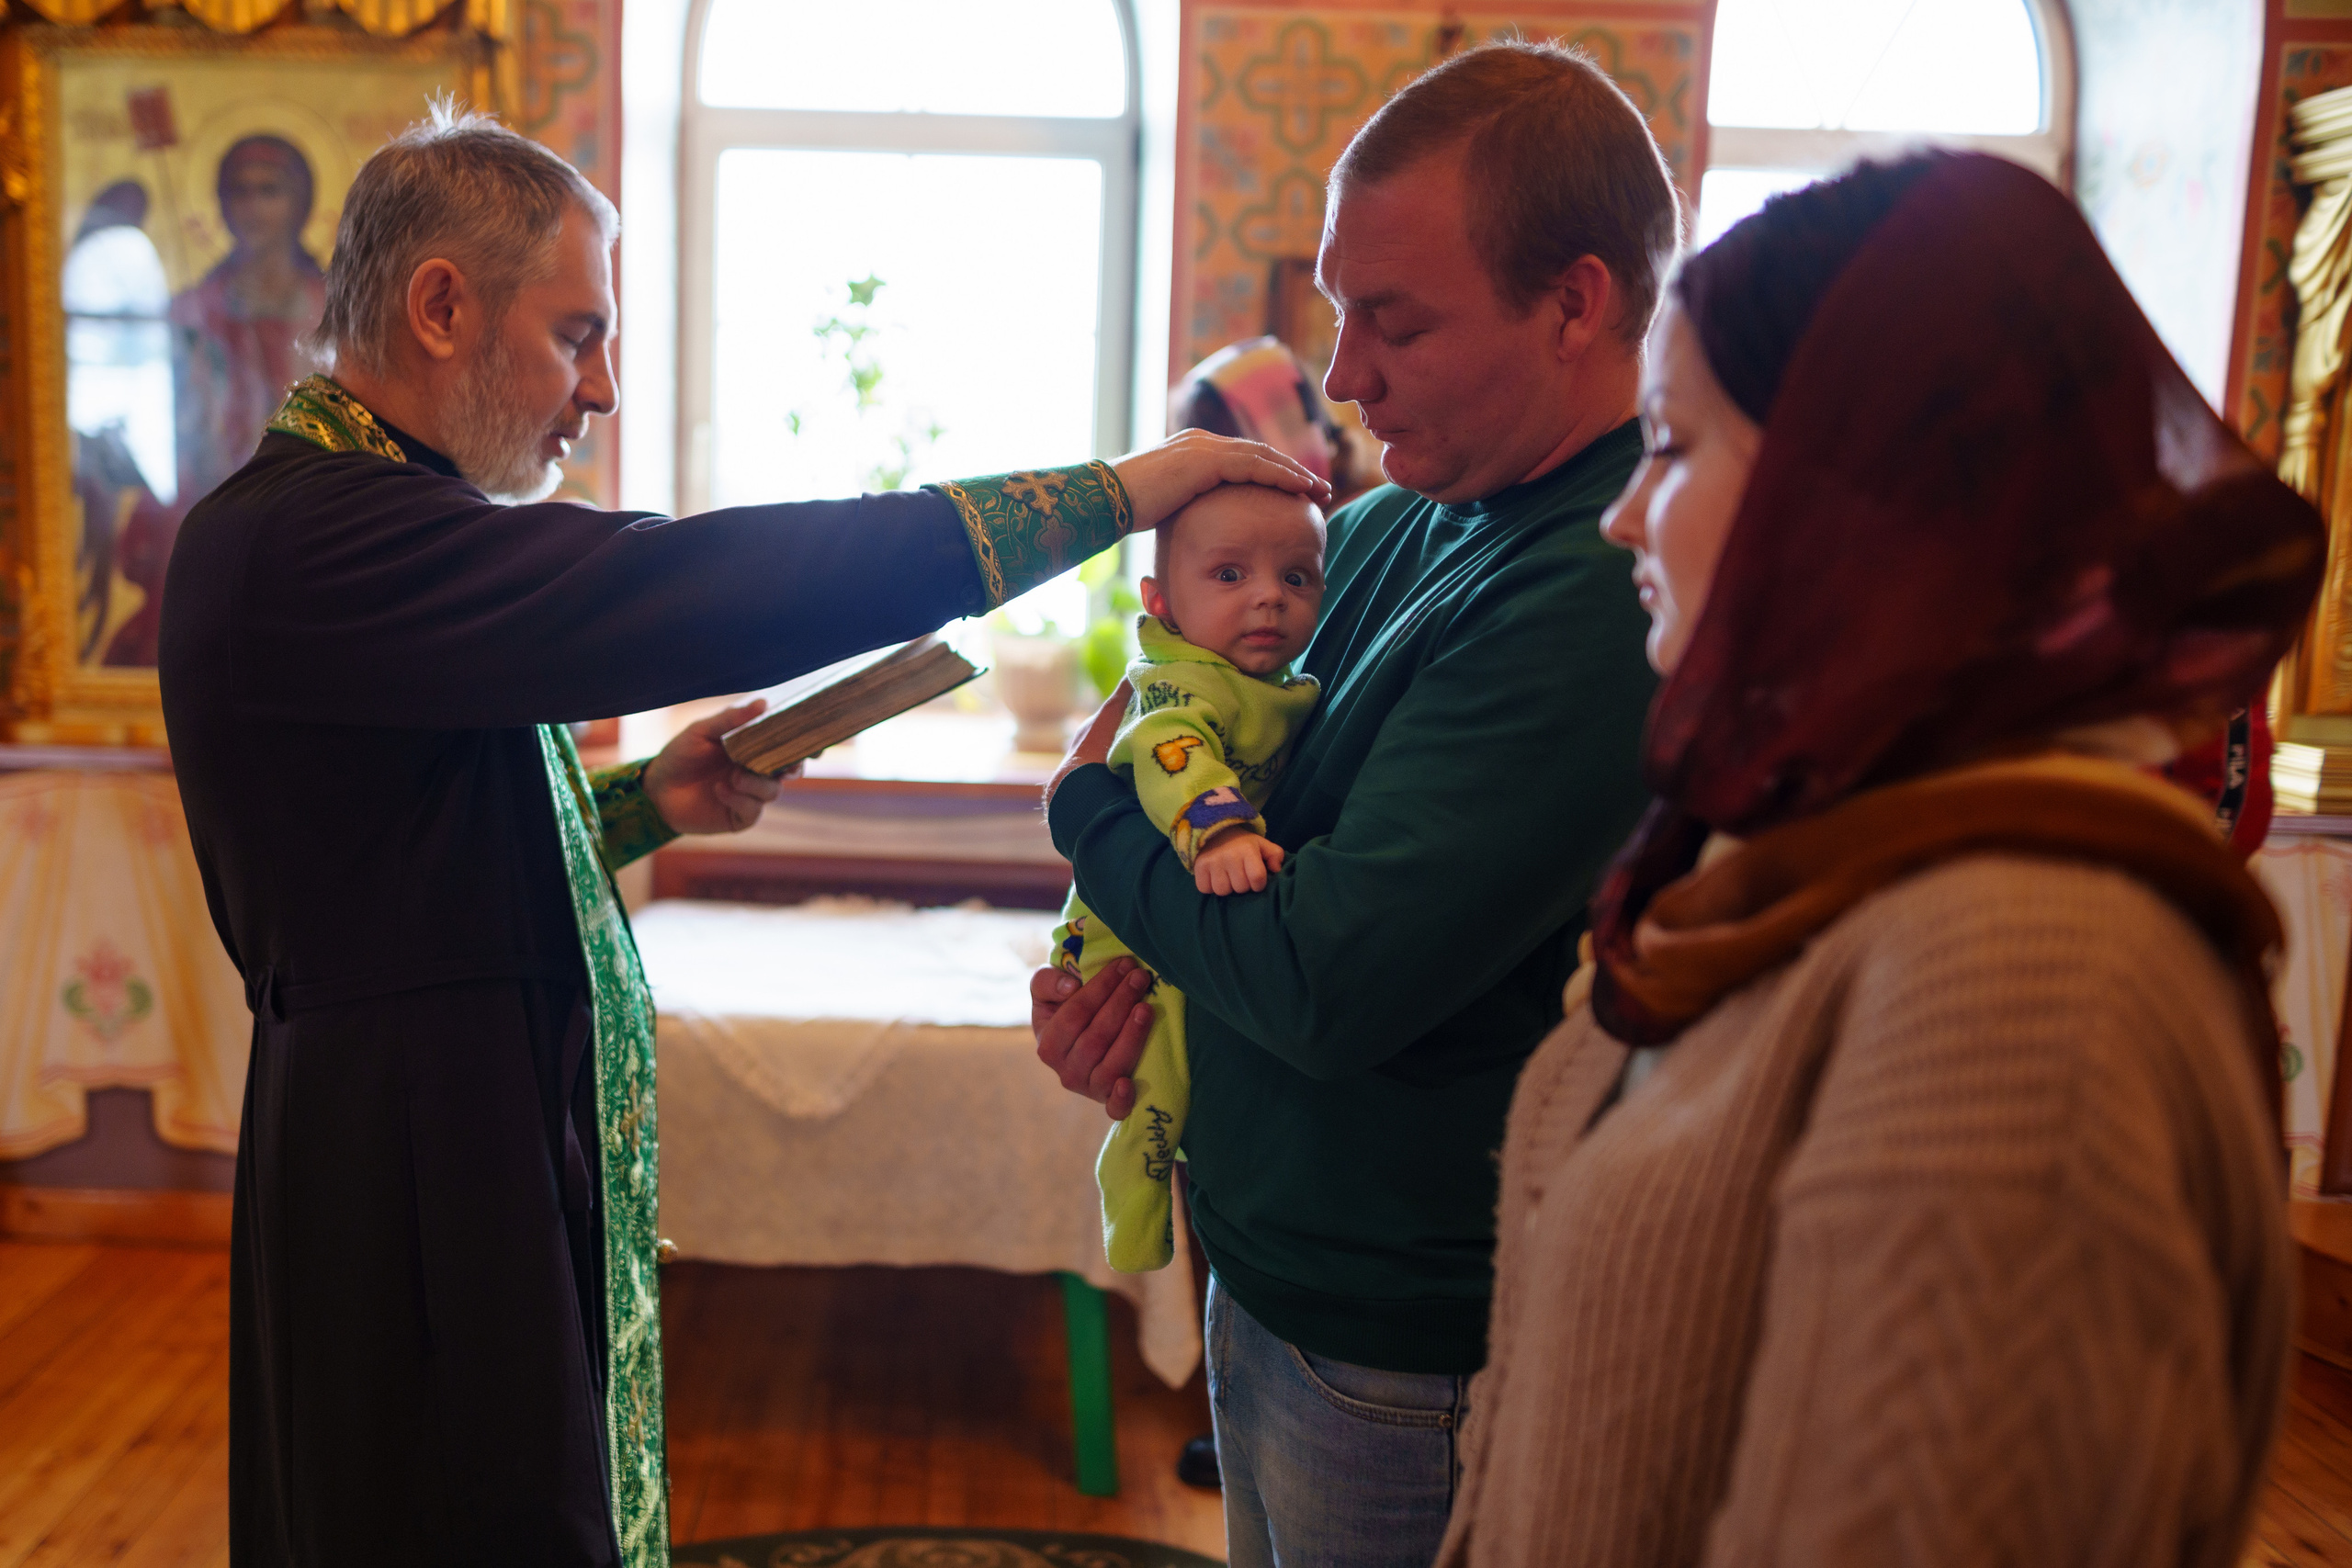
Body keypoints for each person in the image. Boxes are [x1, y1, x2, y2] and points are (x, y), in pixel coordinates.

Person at [158, 107, 1323, 1568]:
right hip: (412, 1149)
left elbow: (407, 842)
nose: (601, 388)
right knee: (447, 1508)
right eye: (576, 333)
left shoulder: (373, 522)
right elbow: (708, 582)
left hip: (452, 1105)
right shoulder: (313, 534)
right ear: (442, 304)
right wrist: (1112, 496)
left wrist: (654, 793)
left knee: (511, 1488)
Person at [1438, 152, 2317, 1567]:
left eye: (1668, 443)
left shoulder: (2024, 974)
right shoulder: (1811, 846)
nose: (1619, 515)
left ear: (1862, 485)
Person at [1033, 40, 1669, 1566]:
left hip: (1405, 1341)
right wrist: (1120, 980)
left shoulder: (1596, 586)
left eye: (1394, 321)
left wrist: (1084, 821)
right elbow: (1213, 785)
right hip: (1269, 1259)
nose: (1344, 375)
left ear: (1576, 304)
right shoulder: (1385, 522)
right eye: (1338, 312)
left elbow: (1318, 978)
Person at [1052, 484, 1326, 1272]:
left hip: (1168, 904)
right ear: (1161, 603)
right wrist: (1220, 832)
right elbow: (1170, 750)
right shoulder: (1182, 680)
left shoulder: (1270, 683)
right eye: (1231, 575)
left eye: (1298, 577)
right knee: (1158, 1080)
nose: (1270, 595)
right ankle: (1134, 1223)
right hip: (1117, 932)